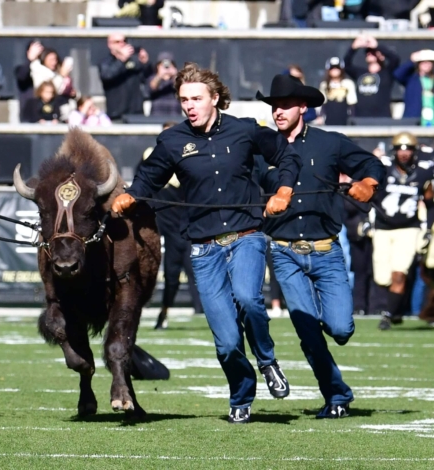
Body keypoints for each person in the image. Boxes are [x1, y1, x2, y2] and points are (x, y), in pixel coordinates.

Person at [112, 63, 302, 424]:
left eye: (197, 98)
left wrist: (283, 188)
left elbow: (286, 154)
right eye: (184, 100)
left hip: (246, 235)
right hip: (204, 248)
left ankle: (266, 359)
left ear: (215, 98)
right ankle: (241, 395)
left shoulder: (245, 130)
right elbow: (148, 181)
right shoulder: (170, 142)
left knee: (248, 298)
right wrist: (130, 197)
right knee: (227, 341)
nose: (190, 106)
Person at [255, 74, 384, 419]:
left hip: (326, 251)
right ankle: (337, 396)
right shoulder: (259, 149)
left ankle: (329, 330)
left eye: (285, 105)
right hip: (284, 252)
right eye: (274, 106)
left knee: (341, 329)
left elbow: (372, 164)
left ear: (303, 107)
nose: (278, 112)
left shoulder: (330, 143)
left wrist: (367, 183)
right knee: (308, 330)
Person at [139, 121, 202, 330]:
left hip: (182, 222)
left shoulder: (187, 156)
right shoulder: (152, 155)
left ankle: (200, 309)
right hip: (158, 219)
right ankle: (161, 311)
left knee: (188, 270)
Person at [370, 132, 434, 330]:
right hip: (382, 228)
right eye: (401, 148)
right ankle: (397, 309)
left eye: (408, 149)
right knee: (382, 278)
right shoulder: (383, 169)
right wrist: (367, 218)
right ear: (394, 150)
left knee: (399, 274)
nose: (404, 153)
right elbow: (369, 194)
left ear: (414, 151)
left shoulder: (423, 173)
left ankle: (388, 315)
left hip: (409, 228)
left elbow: (430, 202)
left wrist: (428, 228)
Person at [344, 35, 400, 118]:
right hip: (361, 118)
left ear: (381, 56)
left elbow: (395, 59)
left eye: (373, 52)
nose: (370, 54)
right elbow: (346, 64)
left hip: (382, 117)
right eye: (367, 52)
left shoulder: (387, 73)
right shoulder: (360, 73)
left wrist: (377, 46)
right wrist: (353, 48)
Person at [98, 34, 152, 121]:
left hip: (136, 113)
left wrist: (145, 63)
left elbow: (146, 78)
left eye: (124, 41)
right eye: (117, 42)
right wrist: (122, 59)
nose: (122, 44)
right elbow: (107, 75)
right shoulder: (106, 62)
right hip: (117, 114)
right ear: (110, 44)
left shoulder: (134, 60)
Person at [393, 49, 434, 126]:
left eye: (429, 62)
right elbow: (398, 74)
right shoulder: (412, 78)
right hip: (413, 118)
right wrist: (411, 61)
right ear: (419, 64)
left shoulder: (432, 79)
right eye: (423, 62)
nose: (426, 64)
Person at [319, 57, 357, 126]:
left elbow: (352, 103)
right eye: (332, 68)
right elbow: (322, 104)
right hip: (328, 120)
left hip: (344, 120)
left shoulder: (348, 83)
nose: (335, 70)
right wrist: (320, 117)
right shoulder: (324, 85)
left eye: (337, 68)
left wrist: (352, 118)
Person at [15, 40, 45, 121]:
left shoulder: (47, 70)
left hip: (47, 116)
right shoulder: (22, 69)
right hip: (29, 116)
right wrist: (30, 60)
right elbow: (22, 76)